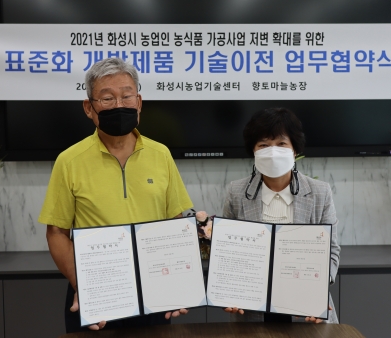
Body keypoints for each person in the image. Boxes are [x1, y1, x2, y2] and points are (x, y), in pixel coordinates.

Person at [38, 58, 194, 333]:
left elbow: (174, 224)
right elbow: (57, 233)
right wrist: (82, 285)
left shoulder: (161, 155)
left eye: (126, 96)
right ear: (89, 107)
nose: (119, 105)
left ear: (139, 102)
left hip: (154, 292)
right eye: (107, 98)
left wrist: (175, 283)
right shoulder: (69, 161)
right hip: (97, 292)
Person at [223, 108, 340, 324]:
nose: (273, 151)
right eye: (263, 145)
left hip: (307, 312)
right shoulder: (236, 192)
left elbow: (332, 252)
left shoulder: (320, 192)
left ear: (295, 149)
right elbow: (228, 252)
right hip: (252, 313)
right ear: (253, 150)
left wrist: (317, 289)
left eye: (281, 143)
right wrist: (230, 290)